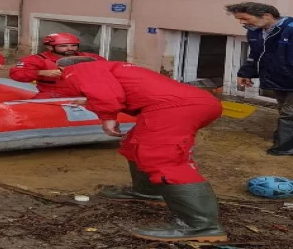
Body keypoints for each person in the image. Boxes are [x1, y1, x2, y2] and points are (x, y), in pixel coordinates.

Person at [56, 56, 226, 243]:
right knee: (134, 145)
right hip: (191, 103)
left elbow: (105, 93)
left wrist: (108, 118)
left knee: (163, 159)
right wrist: (90, 103)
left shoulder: (80, 69)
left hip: (173, 107)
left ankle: (200, 225)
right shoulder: (113, 67)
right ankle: (147, 192)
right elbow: (128, 93)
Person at [225, 2, 293, 156]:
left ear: (266, 16)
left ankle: (285, 147)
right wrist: (245, 73)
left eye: (244, 18)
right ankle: (284, 140)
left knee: (289, 113)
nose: (242, 23)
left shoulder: (290, 29)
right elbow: (255, 55)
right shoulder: (255, 32)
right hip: (280, 80)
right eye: (239, 20)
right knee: (284, 111)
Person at [9, 33, 105, 97]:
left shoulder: (91, 57)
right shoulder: (37, 59)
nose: (70, 48)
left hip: (86, 94)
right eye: (63, 46)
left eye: (73, 45)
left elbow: (112, 70)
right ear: (49, 47)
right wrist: (40, 72)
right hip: (52, 95)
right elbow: (16, 74)